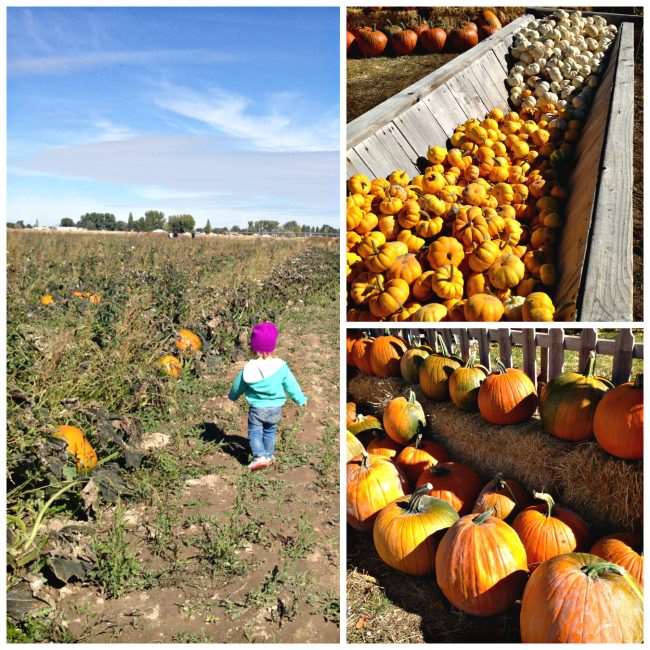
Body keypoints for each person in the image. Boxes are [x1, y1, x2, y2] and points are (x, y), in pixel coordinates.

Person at [228, 322, 307, 470]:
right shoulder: (281, 367)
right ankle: (269, 455)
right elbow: (292, 385)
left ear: (254, 348)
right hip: (275, 408)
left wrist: (232, 396)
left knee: (255, 432)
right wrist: (300, 399)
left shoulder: (249, 368)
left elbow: (237, 386)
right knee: (270, 431)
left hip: (257, 409)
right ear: (273, 347)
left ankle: (260, 456)